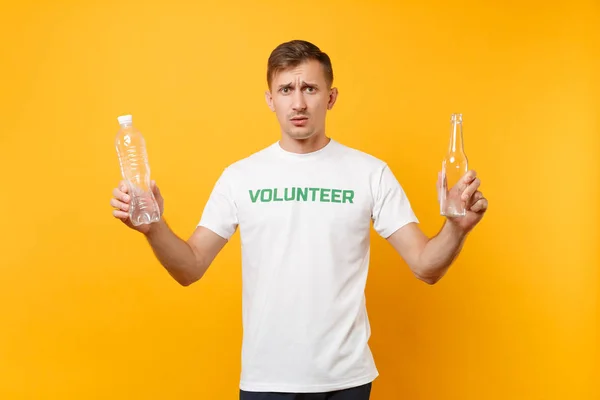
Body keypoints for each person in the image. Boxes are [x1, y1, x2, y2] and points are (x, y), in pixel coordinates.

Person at [110, 40, 488, 400]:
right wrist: (153, 227)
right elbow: (190, 267)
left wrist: (456, 227)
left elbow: (426, 266)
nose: (299, 102)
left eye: (310, 88)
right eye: (286, 89)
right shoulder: (241, 176)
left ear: (331, 97)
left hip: (346, 379)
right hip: (266, 379)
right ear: (270, 100)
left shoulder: (370, 173)